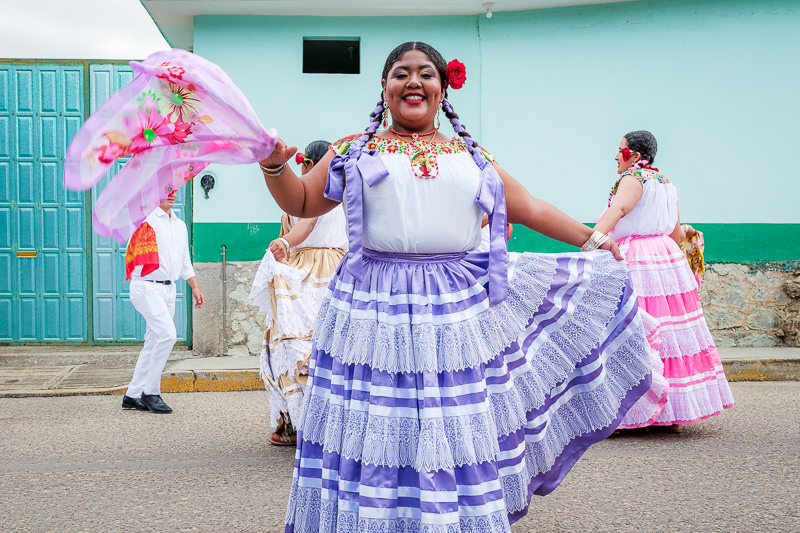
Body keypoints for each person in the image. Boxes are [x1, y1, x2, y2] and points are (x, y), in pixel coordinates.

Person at [259, 42, 658, 531]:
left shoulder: (469, 156)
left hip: (452, 310)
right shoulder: (353, 151)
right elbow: (301, 201)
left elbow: (530, 207)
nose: (413, 81)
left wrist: (593, 239)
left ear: (442, 89)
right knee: (375, 424)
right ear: (384, 88)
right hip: (370, 309)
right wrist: (275, 166)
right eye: (400, 73)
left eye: (425, 73)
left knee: (449, 425)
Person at [593, 130, 733, 432]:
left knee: (633, 328)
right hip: (667, 259)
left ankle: (629, 412)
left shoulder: (634, 179)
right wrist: (691, 233)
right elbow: (675, 233)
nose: (616, 156)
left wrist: (590, 242)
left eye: (620, 150)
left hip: (639, 259)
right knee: (668, 332)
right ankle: (671, 413)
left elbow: (618, 210)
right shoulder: (666, 183)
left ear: (635, 155)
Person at [249, 140, 348, 446]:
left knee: (297, 346)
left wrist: (286, 242)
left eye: (305, 166)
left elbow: (306, 225)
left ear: (311, 166)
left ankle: (296, 426)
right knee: (319, 347)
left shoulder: (319, 193)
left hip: (313, 270)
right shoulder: (342, 192)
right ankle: (314, 425)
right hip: (332, 266)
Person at [121, 190, 204, 414]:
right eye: (165, 189)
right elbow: (132, 251)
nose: (171, 194)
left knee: (153, 341)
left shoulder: (179, 225)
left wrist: (194, 286)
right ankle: (150, 392)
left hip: (169, 288)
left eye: (174, 189)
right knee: (167, 335)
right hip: (146, 287)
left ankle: (132, 395)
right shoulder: (145, 220)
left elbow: (184, 261)